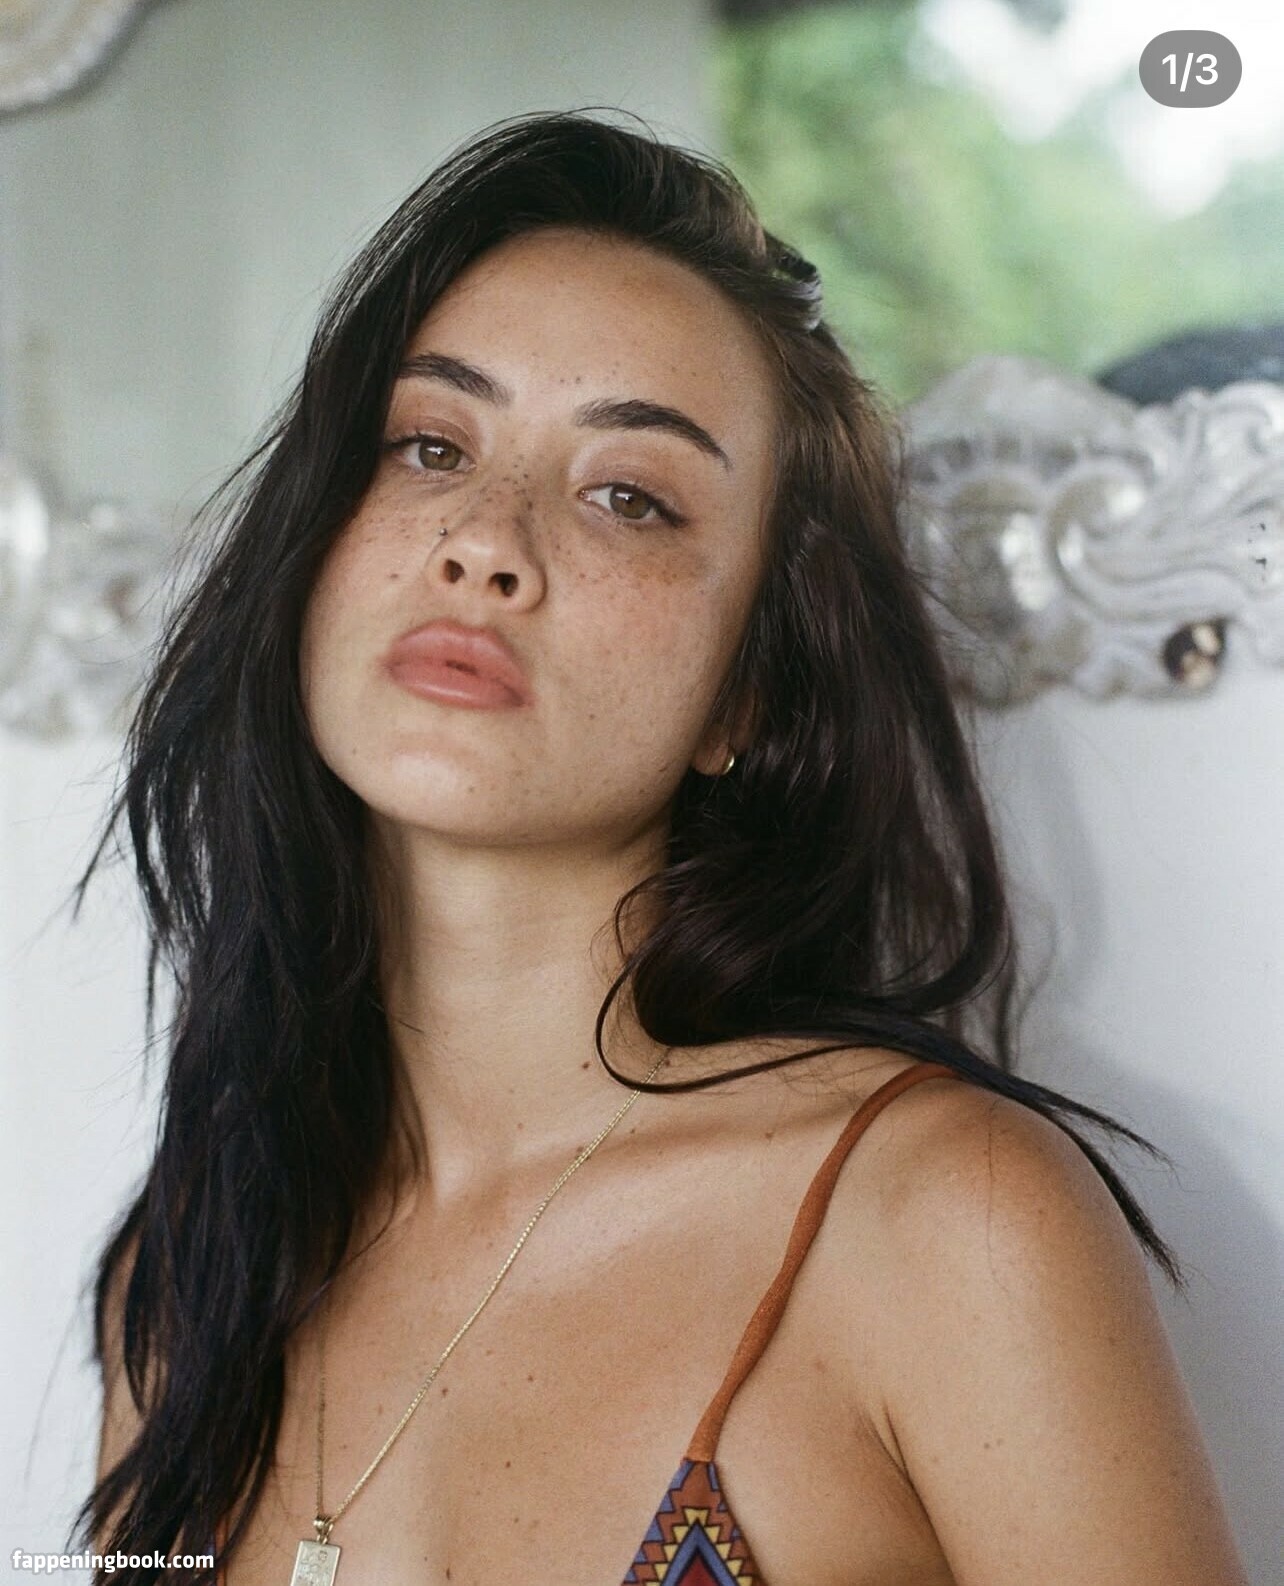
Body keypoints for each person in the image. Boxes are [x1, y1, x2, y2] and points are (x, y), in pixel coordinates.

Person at [73, 110, 1247, 1586]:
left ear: (749, 689)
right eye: (430, 445)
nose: (484, 541)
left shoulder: (947, 1219)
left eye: (627, 496)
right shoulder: (194, 1265)